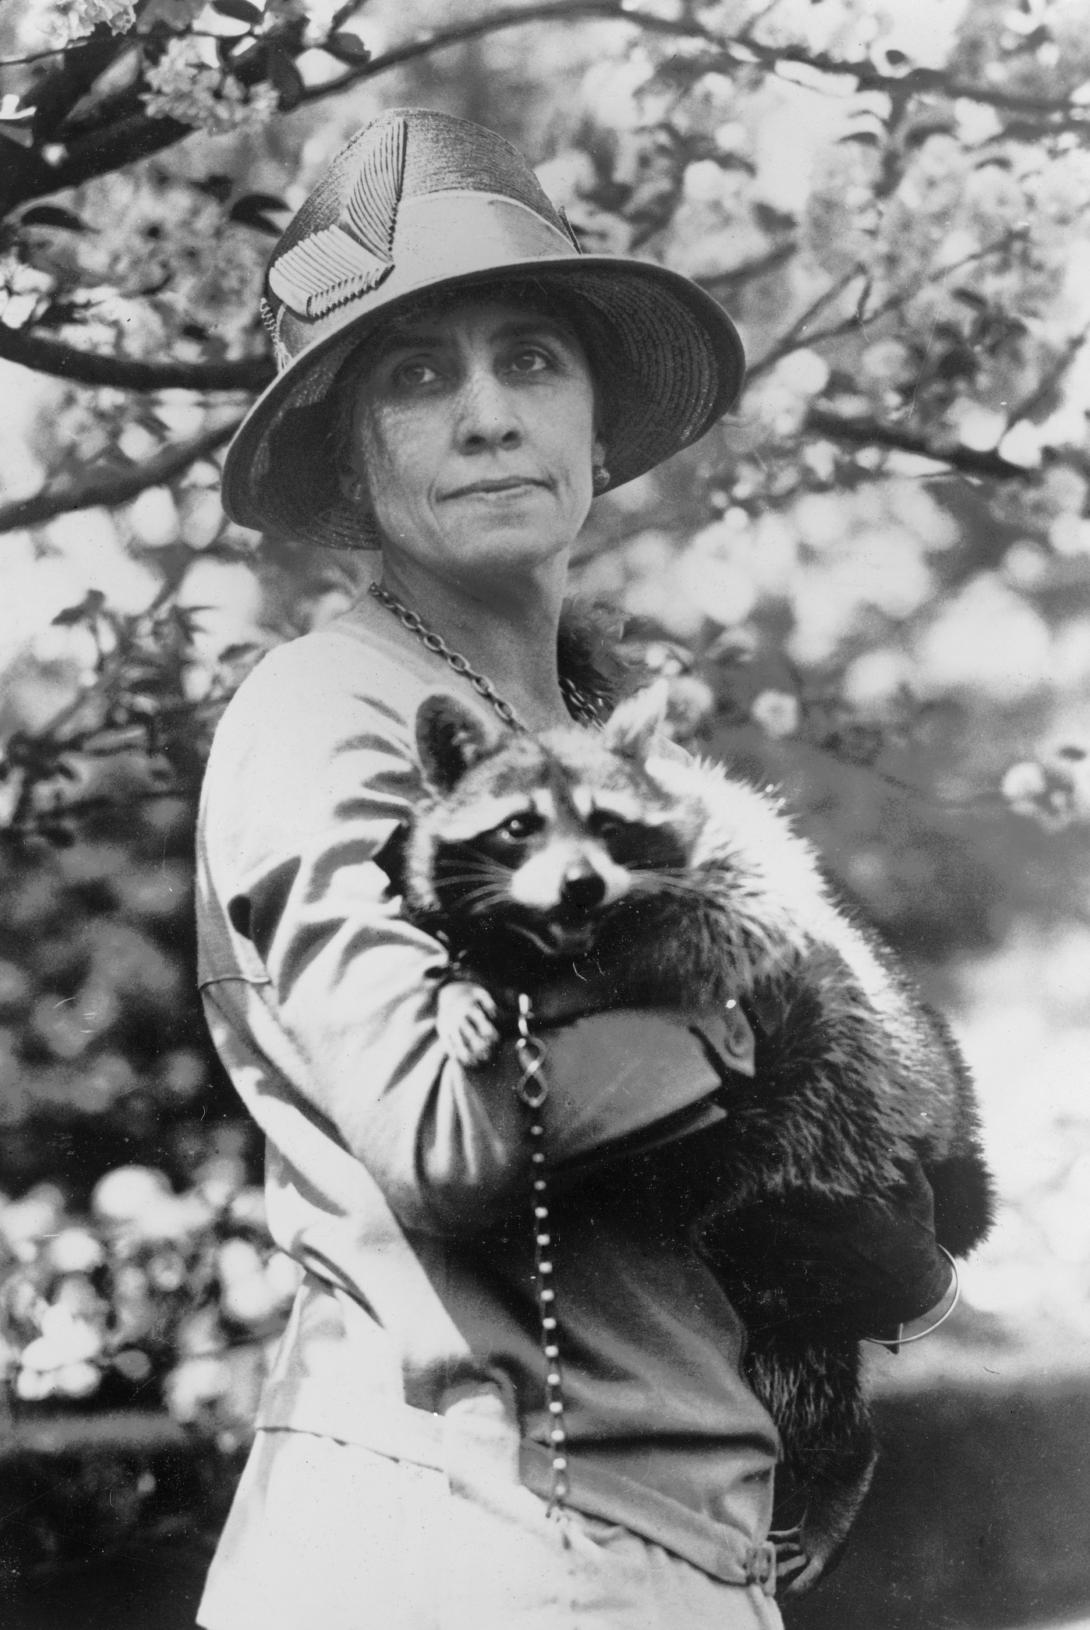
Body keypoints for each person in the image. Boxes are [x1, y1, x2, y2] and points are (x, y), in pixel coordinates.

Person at [194, 108, 953, 1630]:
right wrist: (745, 1029)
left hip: (665, 1544)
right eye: (419, 377)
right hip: (473, 1541)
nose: (487, 415)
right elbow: (441, 1128)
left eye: (529, 359)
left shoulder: (593, 733)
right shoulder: (323, 707)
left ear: (595, 424)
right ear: (350, 463)